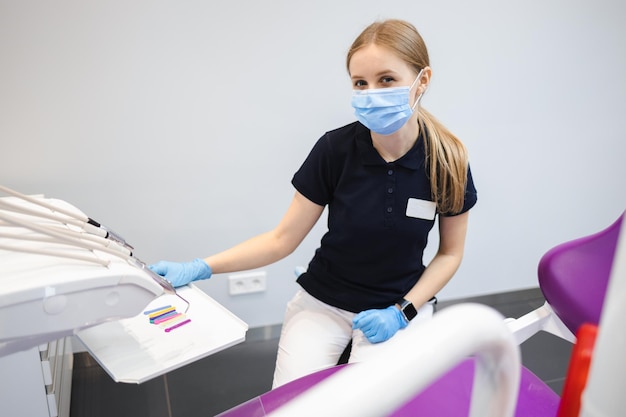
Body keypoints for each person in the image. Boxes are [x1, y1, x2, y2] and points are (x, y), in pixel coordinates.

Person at [149, 18, 477, 388]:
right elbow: (281, 240)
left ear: (423, 80)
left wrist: (403, 312)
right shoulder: (335, 150)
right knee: (293, 404)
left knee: (375, 402)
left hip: (398, 304)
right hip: (324, 301)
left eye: (386, 79)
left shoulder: (447, 161)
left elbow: (450, 253)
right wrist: (199, 267)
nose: (372, 92)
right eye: (360, 83)